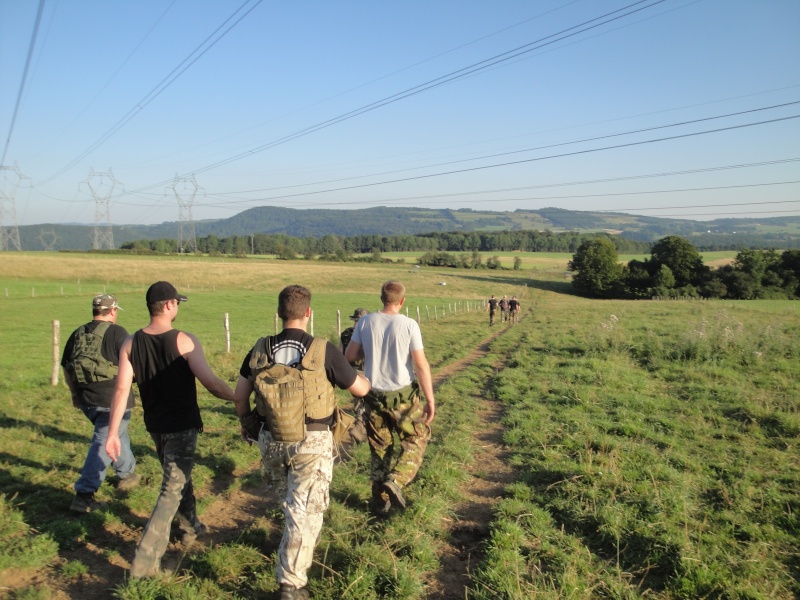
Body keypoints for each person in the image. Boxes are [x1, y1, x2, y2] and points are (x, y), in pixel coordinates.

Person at [233, 285, 370, 600]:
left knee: (293, 506)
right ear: (308, 312)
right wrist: (366, 380)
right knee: (305, 510)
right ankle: (291, 585)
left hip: (270, 438)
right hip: (312, 439)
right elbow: (358, 390)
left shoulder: (260, 348)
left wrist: (248, 426)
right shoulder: (323, 349)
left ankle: (292, 556)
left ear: (280, 313)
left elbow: (240, 397)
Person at [105, 281, 235, 579]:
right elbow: (212, 384)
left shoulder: (130, 342)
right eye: (177, 302)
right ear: (168, 305)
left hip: (156, 426)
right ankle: (143, 565)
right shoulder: (184, 341)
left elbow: (122, 389)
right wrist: (239, 397)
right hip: (182, 427)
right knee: (170, 490)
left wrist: (113, 433)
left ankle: (191, 527)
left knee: (178, 479)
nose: (177, 307)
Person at [344, 281, 435, 518]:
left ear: (381, 298)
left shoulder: (365, 322)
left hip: (374, 396)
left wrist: (369, 349)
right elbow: (421, 365)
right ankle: (396, 480)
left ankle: (380, 504)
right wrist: (430, 399)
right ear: (402, 301)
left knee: (380, 449)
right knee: (417, 438)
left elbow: (350, 356)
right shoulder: (409, 325)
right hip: (403, 397)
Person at [62, 294, 140, 513]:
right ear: (113, 311)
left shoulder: (78, 333)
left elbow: (67, 367)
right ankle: (84, 495)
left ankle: (127, 474)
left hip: (87, 400)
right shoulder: (117, 332)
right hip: (114, 400)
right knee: (104, 442)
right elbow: (133, 364)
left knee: (117, 434)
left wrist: (75, 393)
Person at [339, 307, 369, 445]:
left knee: (359, 400)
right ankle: (359, 427)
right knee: (365, 402)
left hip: (349, 373)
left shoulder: (346, 334)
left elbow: (340, 354)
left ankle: (361, 427)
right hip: (366, 372)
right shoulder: (370, 334)